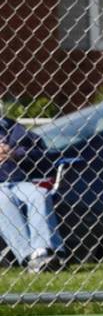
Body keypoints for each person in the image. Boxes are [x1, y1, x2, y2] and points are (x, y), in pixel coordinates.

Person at [0, 114, 65, 272]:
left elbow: (38, 151)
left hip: (19, 181)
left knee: (40, 194)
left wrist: (14, 153)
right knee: (4, 200)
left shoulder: (11, 127)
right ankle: (29, 257)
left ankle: (45, 251)